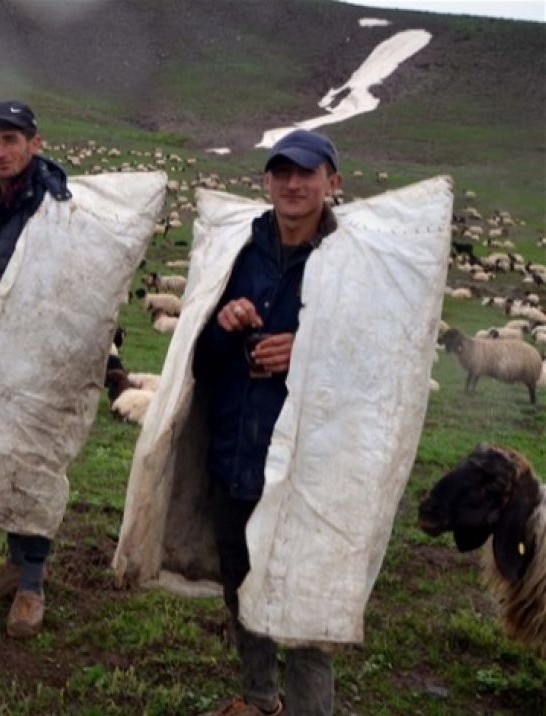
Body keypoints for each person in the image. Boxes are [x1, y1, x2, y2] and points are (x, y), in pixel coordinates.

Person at [192, 129, 342, 715]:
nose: (293, 183)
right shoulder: (239, 255)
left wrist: (304, 352)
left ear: (333, 181)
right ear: (266, 182)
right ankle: (259, 699)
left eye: (308, 172)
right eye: (282, 172)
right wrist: (224, 325)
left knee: (306, 602)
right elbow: (200, 366)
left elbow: (374, 373)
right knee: (242, 584)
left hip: (308, 466)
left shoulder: (349, 264)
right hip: (236, 450)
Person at [0, 101, 72, 638]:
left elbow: (71, 286)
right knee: (0, 454)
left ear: (35, 143)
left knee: (35, 461)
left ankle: (32, 583)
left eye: (11, 140)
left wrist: (5, 295)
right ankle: (11, 560)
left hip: (38, 357)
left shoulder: (56, 205)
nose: (0, 151)